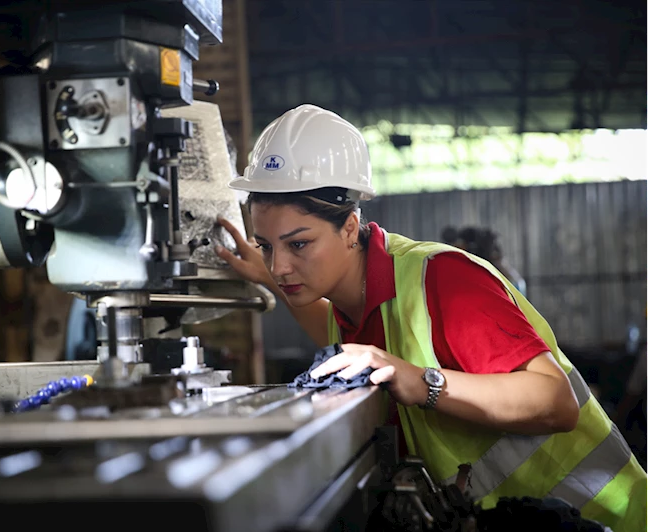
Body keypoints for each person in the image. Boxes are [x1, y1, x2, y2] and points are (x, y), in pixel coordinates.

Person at [213, 104, 645, 531]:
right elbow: (323, 322)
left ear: (349, 227)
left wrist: (422, 382)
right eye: (267, 246)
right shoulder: (350, 307)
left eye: (298, 245)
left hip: (606, 518)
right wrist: (269, 279)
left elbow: (557, 403)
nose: (279, 265)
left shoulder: (441, 278)